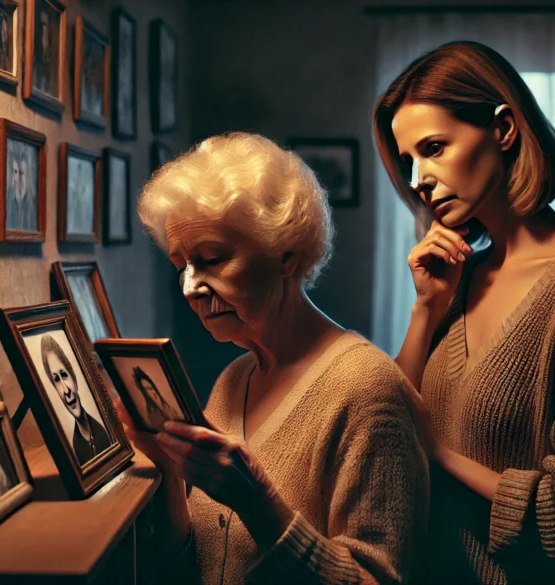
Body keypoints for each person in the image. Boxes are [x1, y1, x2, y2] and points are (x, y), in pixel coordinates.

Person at [372, 40, 555, 584]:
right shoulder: (464, 271)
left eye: (433, 148)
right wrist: (427, 307)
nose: (417, 179)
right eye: (407, 161)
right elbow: (390, 424)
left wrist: (439, 454)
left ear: (503, 129)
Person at [125, 132, 429, 585]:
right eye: (181, 265)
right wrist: (170, 473)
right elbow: (200, 567)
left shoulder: (366, 391)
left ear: (286, 255)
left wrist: (259, 501)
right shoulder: (233, 381)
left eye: (211, 258)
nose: (190, 287)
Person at [40, 335, 112, 465]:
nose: (65, 390)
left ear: (74, 379)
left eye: (64, 375)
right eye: (56, 380)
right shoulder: (76, 446)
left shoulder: (104, 431)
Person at [7, 149, 36, 231]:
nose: (17, 179)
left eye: (22, 173)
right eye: (15, 172)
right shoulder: (8, 205)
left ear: (28, 177)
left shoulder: (32, 209)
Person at [33, 8, 53, 94]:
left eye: (46, 17)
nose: (45, 18)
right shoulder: (37, 29)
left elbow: (48, 44)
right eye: (43, 16)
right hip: (38, 56)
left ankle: (45, 90)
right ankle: (38, 88)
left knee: (45, 73)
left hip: (45, 57)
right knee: (38, 73)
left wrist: (47, 54)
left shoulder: (49, 32)